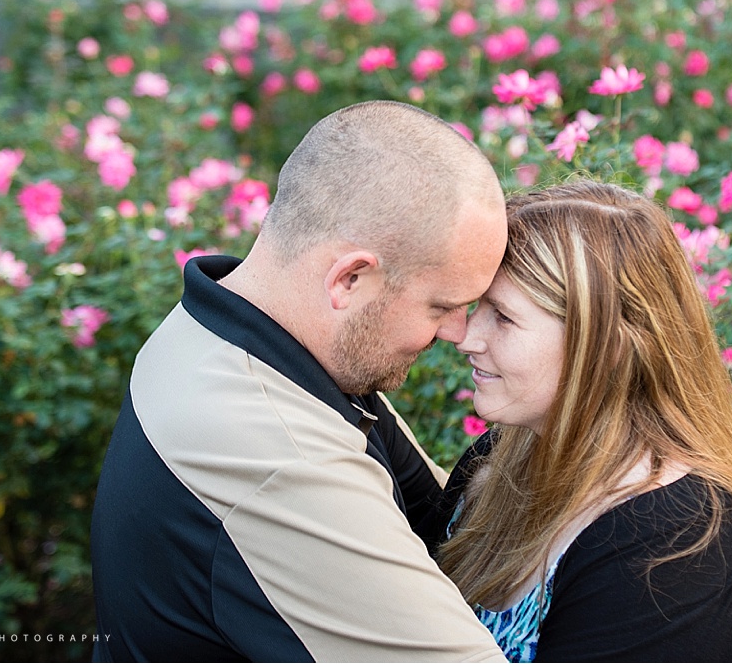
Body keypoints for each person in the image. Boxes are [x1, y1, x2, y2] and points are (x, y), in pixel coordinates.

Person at [90, 101, 510, 662]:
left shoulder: (226, 331)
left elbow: (447, 518)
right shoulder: (277, 451)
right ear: (351, 279)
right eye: (443, 306)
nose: (459, 333)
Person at [425, 179, 732, 662]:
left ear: (609, 347)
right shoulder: (501, 459)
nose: (465, 336)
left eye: (502, 316)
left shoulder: (678, 554)